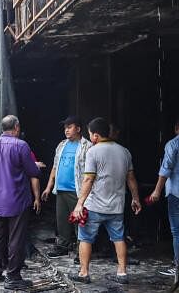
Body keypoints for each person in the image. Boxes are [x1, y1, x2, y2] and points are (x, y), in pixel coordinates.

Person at [69, 117, 141, 284]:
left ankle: (84, 273)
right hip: (116, 206)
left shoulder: (93, 152)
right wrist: (135, 198)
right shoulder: (124, 151)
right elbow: (131, 178)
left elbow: (88, 180)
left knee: (86, 238)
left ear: (95, 135)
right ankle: (122, 273)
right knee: (119, 238)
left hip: (94, 206)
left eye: (90, 134)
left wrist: (79, 203)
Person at [0, 115, 41, 290]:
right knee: (16, 239)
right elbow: (32, 171)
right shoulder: (21, 145)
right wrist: (37, 165)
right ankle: (13, 277)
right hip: (17, 200)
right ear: (16, 127)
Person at [41, 116, 92, 258]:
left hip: (77, 191)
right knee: (62, 221)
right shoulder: (62, 145)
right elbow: (55, 167)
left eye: (69, 127)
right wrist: (48, 187)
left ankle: (80, 251)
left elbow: (91, 172)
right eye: (65, 128)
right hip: (61, 189)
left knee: (79, 222)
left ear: (78, 129)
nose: (66, 130)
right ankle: (63, 246)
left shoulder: (87, 146)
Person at [149, 116, 179, 276]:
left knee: (177, 231)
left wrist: (157, 191)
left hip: (176, 193)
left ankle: (178, 266)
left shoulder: (173, 144)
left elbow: (166, 169)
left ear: (176, 128)